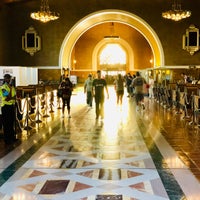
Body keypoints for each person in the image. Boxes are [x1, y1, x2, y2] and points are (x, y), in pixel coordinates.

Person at [0, 74, 17, 144]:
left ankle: (12, 137)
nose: (8, 80)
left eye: (9, 78)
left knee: (11, 122)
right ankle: (7, 139)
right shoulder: (3, 87)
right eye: (7, 78)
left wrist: (12, 97)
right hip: (5, 107)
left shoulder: (12, 87)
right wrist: (9, 89)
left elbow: (14, 96)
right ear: (4, 79)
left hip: (11, 106)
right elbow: (7, 98)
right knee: (6, 123)